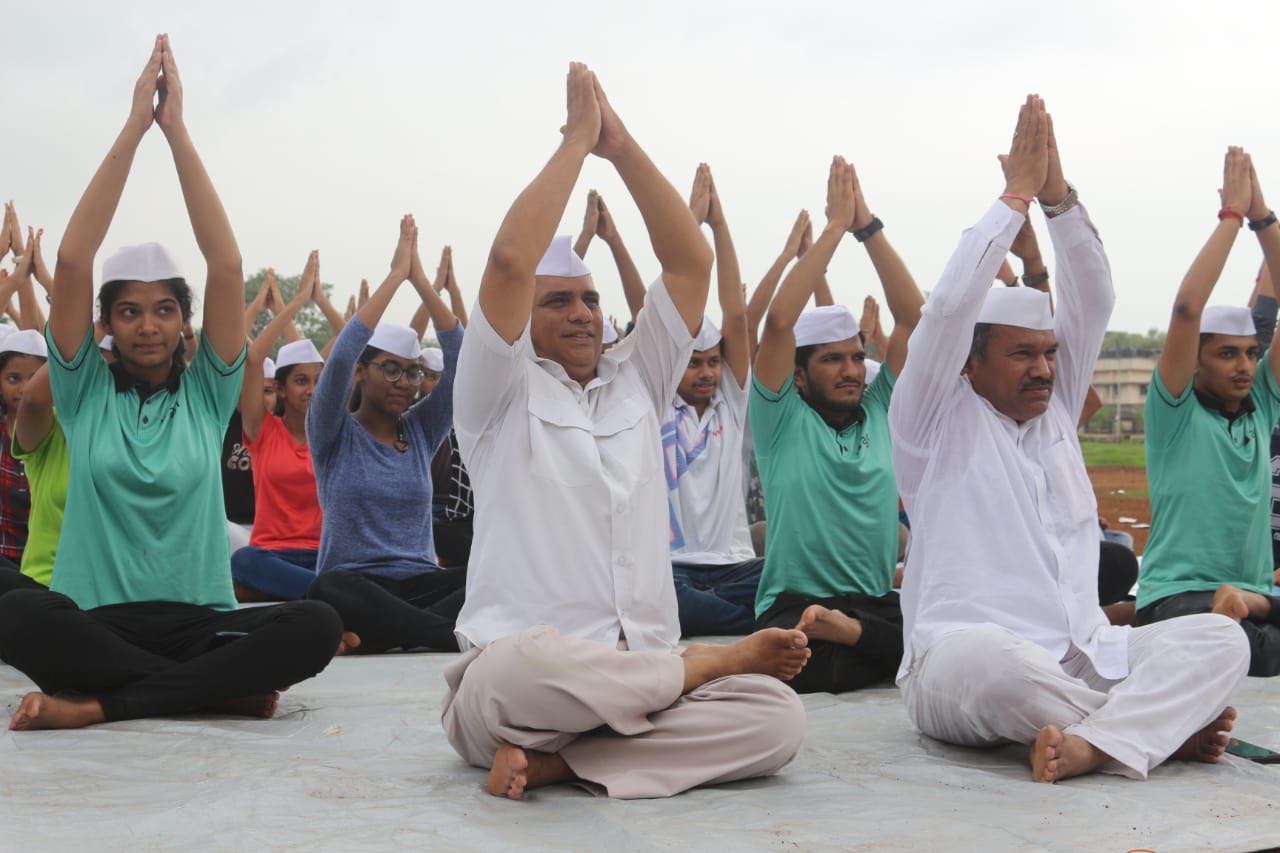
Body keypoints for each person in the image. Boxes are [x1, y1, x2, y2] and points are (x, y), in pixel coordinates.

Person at [446, 63, 808, 802]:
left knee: (776, 719)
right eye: (558, 303)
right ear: (523, 319)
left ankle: (560, 766)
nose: (582, 313)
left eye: (590, 298)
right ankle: (698, 666)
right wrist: (577, 142)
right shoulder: (497, 391)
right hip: (527, 690)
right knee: (518, 665)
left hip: (642, 685)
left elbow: (690, 261)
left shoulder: (638, 380)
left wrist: (620, 144)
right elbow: (512, 260)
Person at [888, 95, 1248, 783]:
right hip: (959, 662)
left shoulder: (1052, 407)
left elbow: (1094, 291)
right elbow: (946, 310)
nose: (1046, 369)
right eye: (1023, 354)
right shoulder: (932, 421)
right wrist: (1014, 197)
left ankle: (1099, 739)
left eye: (1050, 353)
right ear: (971, 359)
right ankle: (1153, 730)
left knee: (1219, 637)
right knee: (1000, 668)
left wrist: (1059, 200)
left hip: (1084, 655)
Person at [0, 36, 343, 730]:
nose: (148, 326)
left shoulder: (206, 396)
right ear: (107, 323)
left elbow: (225, 261)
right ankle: (210, 693)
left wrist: (177, 130)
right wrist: (134, 126)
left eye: (164, 310)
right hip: (92, 625)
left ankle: (111, 704)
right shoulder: (83, 395)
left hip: (198, 623)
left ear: (185, 324)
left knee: (317, 621)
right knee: (13, 607)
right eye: (129, 310)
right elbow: (72, 258)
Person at [751, 156, 924, 693]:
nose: (851, 371)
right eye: (832, 360)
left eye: (855, 357)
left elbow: (913, 317)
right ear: (798, 376)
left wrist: (866, 228)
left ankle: (851, 634)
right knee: (800, 656)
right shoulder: (781, 419)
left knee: (939, 639)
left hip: (871, 606)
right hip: (796, 608)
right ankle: (851, 638)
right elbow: (778, 322)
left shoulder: (879, 407)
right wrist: (831, 229)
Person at [1136, 148, 1280, 677]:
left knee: (1246, 640)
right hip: (1180, 599)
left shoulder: (1261, 405)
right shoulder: (1175, 412)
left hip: (1251, 600)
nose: (1243, 367)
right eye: (1225, 354)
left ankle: (1250, 607)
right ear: (1194, 362)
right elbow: (1187, 310)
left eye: (1249, 354)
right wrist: (1231, 219)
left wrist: (1264, 217)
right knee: (1236, 645)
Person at [305, 216, 466, 654]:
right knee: (327, 591)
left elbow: (462, 362)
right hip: (356, 584)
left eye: (412, 372)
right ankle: (444, 634)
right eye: (390, 369)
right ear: (362, 372)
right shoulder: (332, 431)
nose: (404, 381)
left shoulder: (421, 429)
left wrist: (424, 284)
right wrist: (396, 278)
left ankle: (387, 634)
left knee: (496, 574)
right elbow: (338, 359)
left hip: (420, 583)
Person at [661, 163, 760, 636]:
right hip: (673, 566)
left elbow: (736, 313)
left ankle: (748, 616)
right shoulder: (656, 402)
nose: (707, 373)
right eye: (694, 362)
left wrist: (720, 227)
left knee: (791, 582)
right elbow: (666, 294)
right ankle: (758, 625)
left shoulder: (731, 405)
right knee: (665, 599)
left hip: (736, 566)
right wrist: (690, 223)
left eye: (713, 362)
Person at [230, 251, 328, 601]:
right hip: (271, 555)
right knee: (242, 559)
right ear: (282, 388)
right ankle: (336, 600)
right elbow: (253, 357)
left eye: (319, 380)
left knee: (354, 570)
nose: (312, 390)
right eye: (301, 381)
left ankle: (315, 596)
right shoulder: (262, 430)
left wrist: (319, 300)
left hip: (325, 556)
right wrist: (297, 302)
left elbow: (352, 343)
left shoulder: (330, 435)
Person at [0, 329, 48, 569]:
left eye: (35, 378)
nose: (25, 388)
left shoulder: (61, 433)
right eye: (13, 379)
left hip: (43, 562)